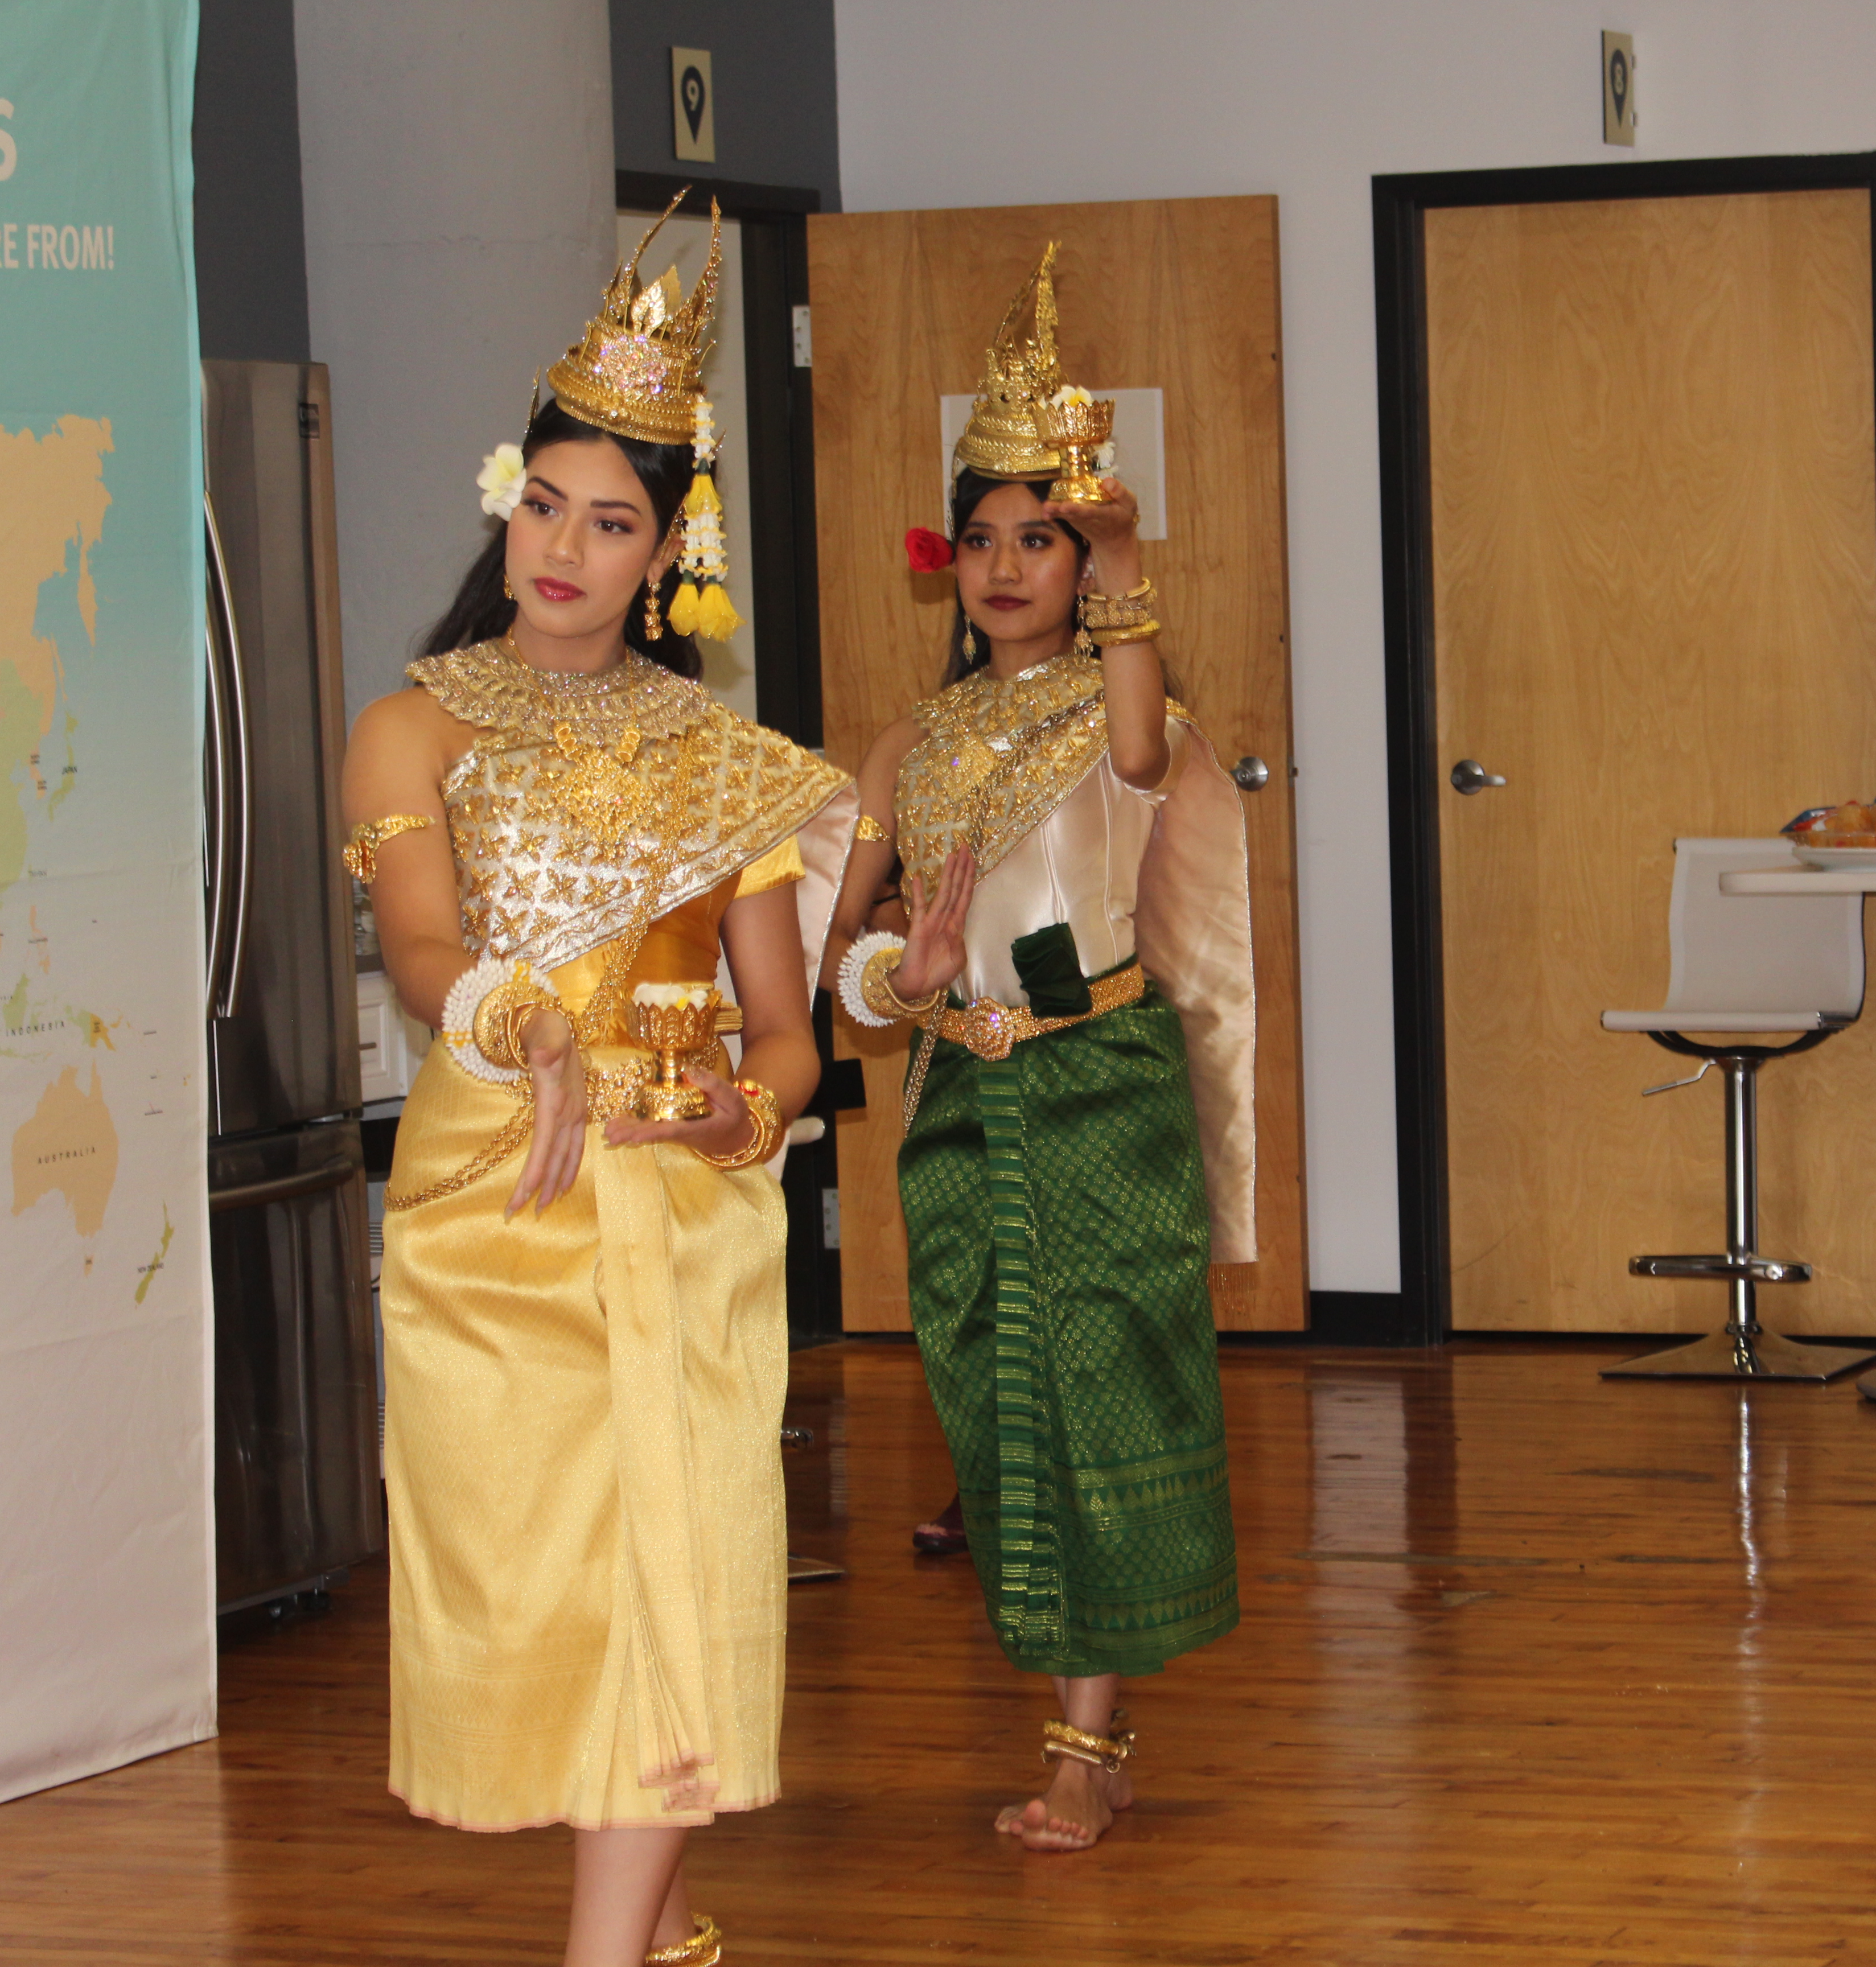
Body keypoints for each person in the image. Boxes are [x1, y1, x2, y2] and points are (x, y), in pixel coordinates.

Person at [341, 198, 856, 1967]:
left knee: (678, 1579)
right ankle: (666, 1930)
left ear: (668, 552)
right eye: (544, 502)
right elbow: (419, 952)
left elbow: (786, 1033)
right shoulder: (417, 725)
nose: (564, 544)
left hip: (686, 1216)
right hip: (499, 1210)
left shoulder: (735, 767)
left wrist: (750, 1111)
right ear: (510, 502)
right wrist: (517, 1017)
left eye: (611, 520)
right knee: (546, 1606)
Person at [827, 245, 1254, 1855]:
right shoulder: (906, 744)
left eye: (1046, 540)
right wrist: (908, 976)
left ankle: (1090, 1747)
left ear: (1086, 564)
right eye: (987, 540)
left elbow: (1143, 743)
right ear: (951, 563)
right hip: (959, 1104)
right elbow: (847, 967)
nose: (1011, 568)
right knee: (1001, 1414)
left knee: (1105, 1404)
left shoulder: (1112, 712)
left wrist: (1133, 566)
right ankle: (1090, 1737)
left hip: (1098, 1094)